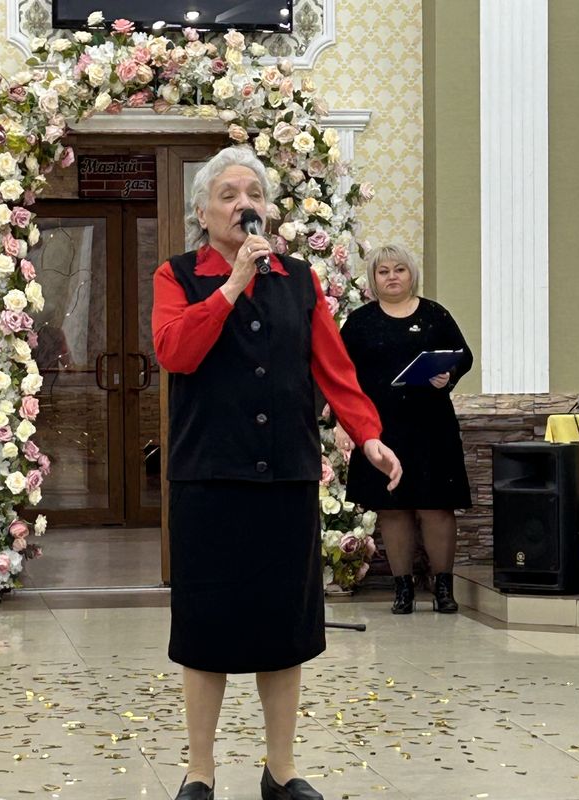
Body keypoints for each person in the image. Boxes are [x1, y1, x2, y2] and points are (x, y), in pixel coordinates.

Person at [151, 146, 402, 800]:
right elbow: (176, 352)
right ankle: (200, 771)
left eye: (254, 194)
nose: (245, 204)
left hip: (286, 477)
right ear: (203, 214)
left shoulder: (299, 279)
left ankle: (281, 770)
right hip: (209, 477)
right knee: (206, 629)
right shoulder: (177, 276)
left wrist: (368, 435)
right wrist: (232, 285)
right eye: (229, 194)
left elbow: (333, 367)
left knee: (284, 628)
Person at [334, 244, 473, 615]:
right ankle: (403, 589)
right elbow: (341, 374)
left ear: (412, 274)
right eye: (383, 271)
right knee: (392, 508)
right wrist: (344, 422)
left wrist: (447, 375)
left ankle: (443, 588)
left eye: (399, 269)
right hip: (380, 430)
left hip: (432, 426)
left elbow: (463, 357)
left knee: (436, 507)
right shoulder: (360, 322)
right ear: (373, 279)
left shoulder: (435, 315)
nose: (392, 277)